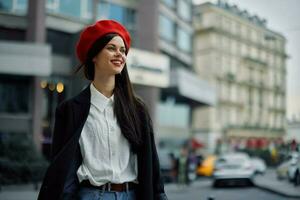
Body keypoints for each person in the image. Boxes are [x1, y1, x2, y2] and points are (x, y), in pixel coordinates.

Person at [37, 20, 168, 200]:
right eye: (111, 48)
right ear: (94, 55)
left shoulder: (137, 110)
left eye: (122, 50)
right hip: (91, 195)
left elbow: (152, 166)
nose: (119, 55)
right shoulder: (69, 111)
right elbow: (62, 171)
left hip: (133, 195)